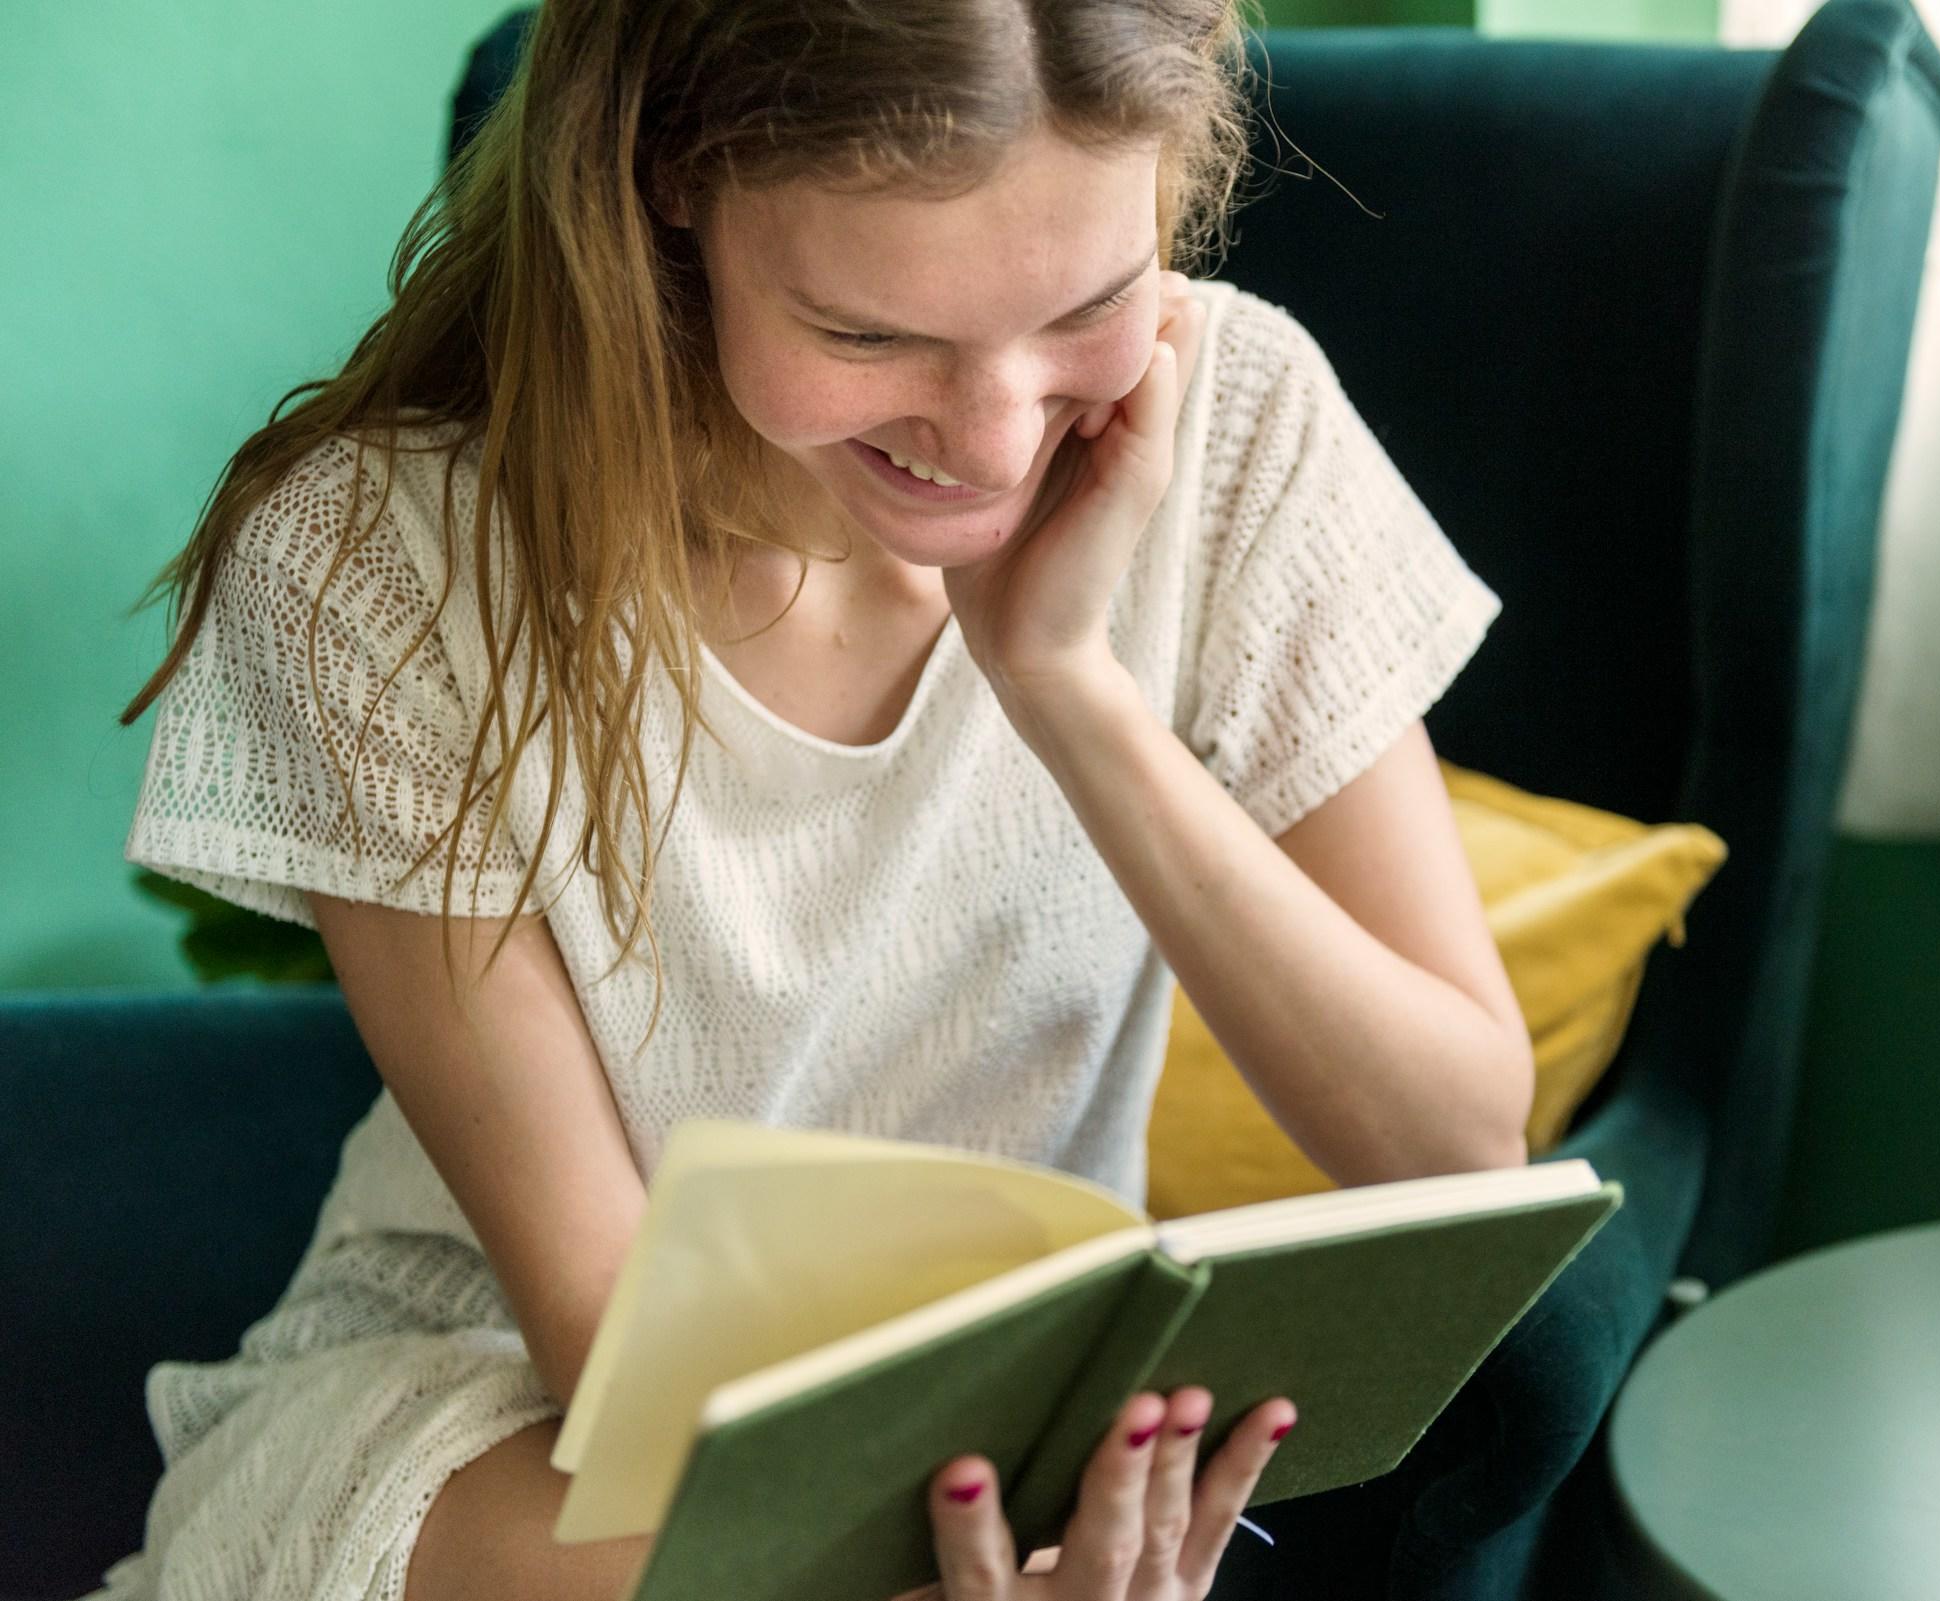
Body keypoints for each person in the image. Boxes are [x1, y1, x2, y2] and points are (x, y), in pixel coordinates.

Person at [101, 1, 1531, 1597]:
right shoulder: (382, 562)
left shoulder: (1239, 423)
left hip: (1002, 1440)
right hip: (527, 1425)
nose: (993, 441)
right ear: (668, 184)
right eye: (868, 335)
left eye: (1091, 303)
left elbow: (1459, 1146)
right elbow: (620, 1348)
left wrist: (1069, 692)